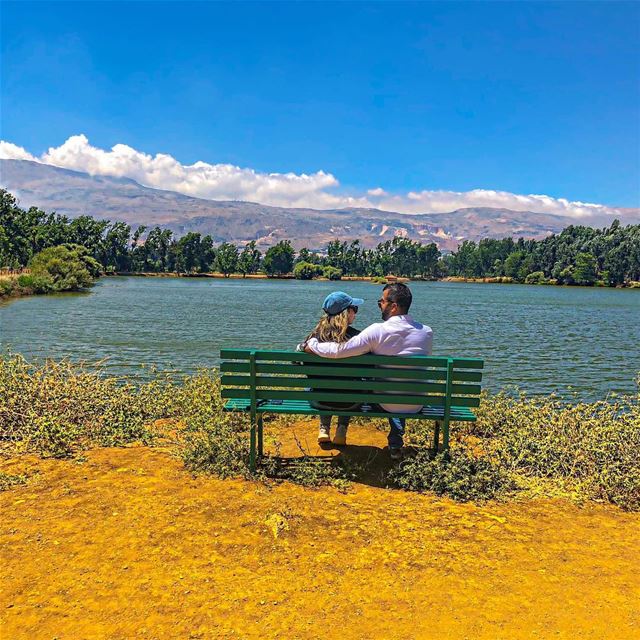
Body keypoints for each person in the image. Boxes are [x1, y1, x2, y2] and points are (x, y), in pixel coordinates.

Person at [304, 283, 432, 460]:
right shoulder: (426, 332)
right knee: (397, 383)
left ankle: (326, 427)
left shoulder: (377, 331)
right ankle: (395, 444)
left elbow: (339, 351)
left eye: (382, 301)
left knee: (385, 388)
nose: (379, 304)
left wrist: (312, 344)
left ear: (393, 306)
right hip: (416, 404)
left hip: (384, 403)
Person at [301, 291, 363, 446]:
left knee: (320, 385)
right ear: (346, 313)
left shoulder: (314, 337)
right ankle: (341, 430)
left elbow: (300, 363)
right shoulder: (358, 338)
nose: (355, 313)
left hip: (319, 401)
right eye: (354, 309)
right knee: (353, 385)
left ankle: (324, 428)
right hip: (351, 402)